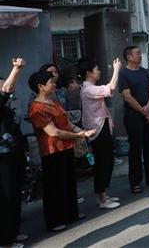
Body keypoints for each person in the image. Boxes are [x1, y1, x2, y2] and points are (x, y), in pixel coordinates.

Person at [28, 70, 95, 232]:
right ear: (40, 86)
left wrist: (82, 132)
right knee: (54, 186)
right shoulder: (37, 108)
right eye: (51, 82)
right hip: (51, 150)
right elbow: (53, 132)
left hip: (66, 147)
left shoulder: (55, 102)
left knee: (68, 182)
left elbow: (67, 123)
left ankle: (71, 213)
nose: (55, 84)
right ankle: (55, 220)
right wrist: (78, 134)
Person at [119, 46, 149, 193]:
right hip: (134, 116)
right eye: (137, 53)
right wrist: (143, 111)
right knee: (135, 150)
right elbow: (127, 97)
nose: (140, 56)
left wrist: (148, 107)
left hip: (148, 113)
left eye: (140, 53)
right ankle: (135, 182)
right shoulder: (123, 74)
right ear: (129, 57)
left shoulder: (143, 71)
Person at [78, 58, 121, 209]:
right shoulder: (88, 89)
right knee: (103, 164)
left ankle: (103, 195)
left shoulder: (88, 87)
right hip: (97, 130)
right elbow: (111, 88)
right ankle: (101, 198)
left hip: (101, 128)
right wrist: (116, 69)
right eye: (97, 69)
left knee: (106, 162)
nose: (99, 71)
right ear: (89, 72)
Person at [1, 58, 28, 247]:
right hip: (2, 157)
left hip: (13, 153)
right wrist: (17, 69)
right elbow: (5, 90)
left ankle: (12, 232)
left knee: (14, 193)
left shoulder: (8, 107)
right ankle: (5, 240)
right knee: (6, 196)